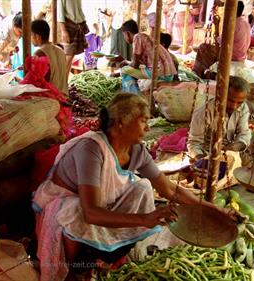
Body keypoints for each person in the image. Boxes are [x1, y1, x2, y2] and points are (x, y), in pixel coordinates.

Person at [33, 93, 240, 281]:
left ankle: (107, 256)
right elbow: (91, 213)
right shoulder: (91, 150)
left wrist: (216, 209)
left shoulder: (137, 151)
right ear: (122, 122)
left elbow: (170, 189)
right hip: (63, 209)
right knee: (75, 209)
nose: (148, 128)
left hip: (99, 205)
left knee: (142, 188)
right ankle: (78, 266)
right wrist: (144, 219)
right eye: (143, 121)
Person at [192, 1, 251, 78]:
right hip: (241, 54)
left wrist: (216, 26)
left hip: (232, 55)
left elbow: (220, 41)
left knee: (203, 47)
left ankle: (199, 73)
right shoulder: (245, 23)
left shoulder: (233, 23)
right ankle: (205, 71)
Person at [120, 20, 177, 94]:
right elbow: (139, 64)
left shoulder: (137, 37)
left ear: (127, 34)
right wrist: (126, 62)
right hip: (169, 72)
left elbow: (135, 65)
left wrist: (126, 63)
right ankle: (134, 93)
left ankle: (134, 97)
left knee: (124, 70)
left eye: (124, 35)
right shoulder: (144, 37)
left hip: (160, 72)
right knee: (130, 70)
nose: (125, 38)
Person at [31, 19, 67, 94]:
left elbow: (38, 84)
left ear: (37, 36)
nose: (30, 38)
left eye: (31, 35)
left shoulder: (39, 53)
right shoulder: (61, 50)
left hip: (51, 99)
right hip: (64, 97)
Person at [57, 0, 89, 75]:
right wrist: (63, 31)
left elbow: (79, 10)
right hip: (69, 26)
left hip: (78, 25)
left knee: (70, 57)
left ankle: (65, 82)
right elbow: (60, 13)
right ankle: (61, 83)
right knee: (68, 57)